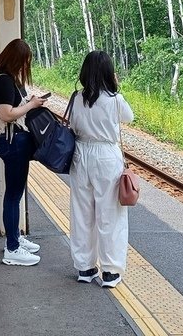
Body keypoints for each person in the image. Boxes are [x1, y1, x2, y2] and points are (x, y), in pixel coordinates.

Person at [68, 50, 135, 288]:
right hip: (107, 156)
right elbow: (129, 117)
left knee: (82, 213)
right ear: (109, 72)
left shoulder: (77, 98)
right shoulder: (115, 99)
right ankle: (110, 271)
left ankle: (84, 268)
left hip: (81, 154)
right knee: (110, 215)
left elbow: (73, 125)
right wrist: (116, 87)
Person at [0, 38, 47, 266]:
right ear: (16, 60)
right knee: (12, 195)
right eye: (24, 61)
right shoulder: (3, 81)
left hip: (16, 142)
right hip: (13, 143)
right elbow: (7, 114)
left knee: (15, 194)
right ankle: (12, 248)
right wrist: (31, 105)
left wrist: (29, 101)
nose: (25, 66)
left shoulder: (7, 78)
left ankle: (16, 238)